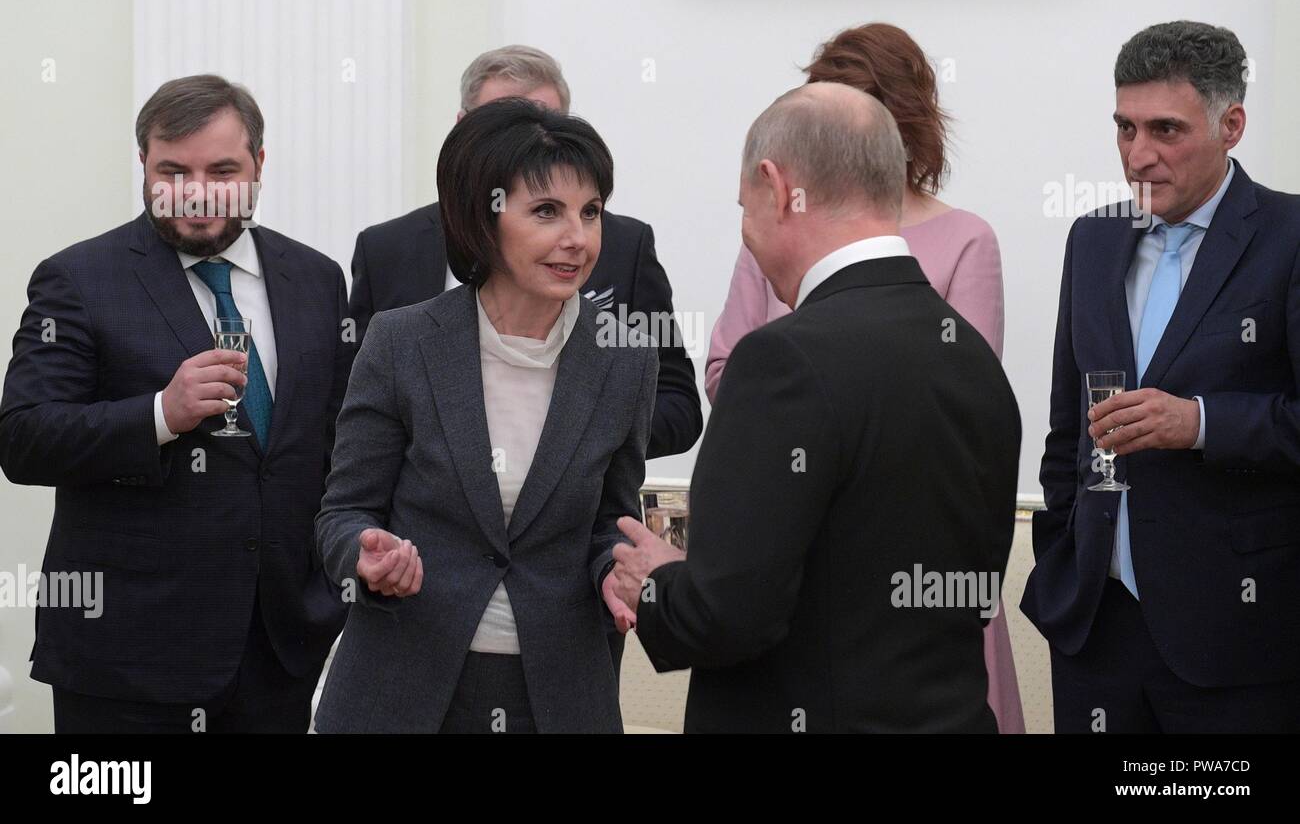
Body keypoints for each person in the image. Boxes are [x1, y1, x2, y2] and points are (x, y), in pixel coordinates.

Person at [611, 83, 1021, 733]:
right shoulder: (970, 356)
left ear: (776, 188)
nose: (746, 230)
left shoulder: (782, 361)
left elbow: (728, 615)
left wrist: (657, 584)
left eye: (744, 207)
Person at [0, 75, 352, 732]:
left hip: (276, 655)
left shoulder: (316, 278)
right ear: (143, 166)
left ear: (259, 165)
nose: (195, 191)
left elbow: (337, 448)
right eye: (172, 170)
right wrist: (160, 413)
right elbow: (23, 438)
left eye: (222, 169)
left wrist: (331, 592)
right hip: (126, 661)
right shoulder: (77, 279)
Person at [314, 98, 657, 733]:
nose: (576, 239)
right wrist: (365, 555)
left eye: (591, 213)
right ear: (485, 217)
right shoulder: (401, 341)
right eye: (547, 212)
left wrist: (615, 568)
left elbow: (611, 520)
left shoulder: (626, 357)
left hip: (556, 694)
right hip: (404, 690)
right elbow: (342, 514)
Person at [1022, 20, 1300, 733]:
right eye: (1124, 128)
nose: (1138, 156)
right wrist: (1062, 560)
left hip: (1237, 639)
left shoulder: (1288, 238)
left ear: (1231, 124)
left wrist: (1200, 423)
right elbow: (1066, 428)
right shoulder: (1092, 239)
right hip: (1097, 630)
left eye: (1166, 130)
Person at [349, 45, 700, 463]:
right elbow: (357, 417)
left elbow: (676, 402)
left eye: (541, 123)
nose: (576, 240)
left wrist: (577, 438)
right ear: (464, 134)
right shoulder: (386, 252)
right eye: (502, 128)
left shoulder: (624, 247)